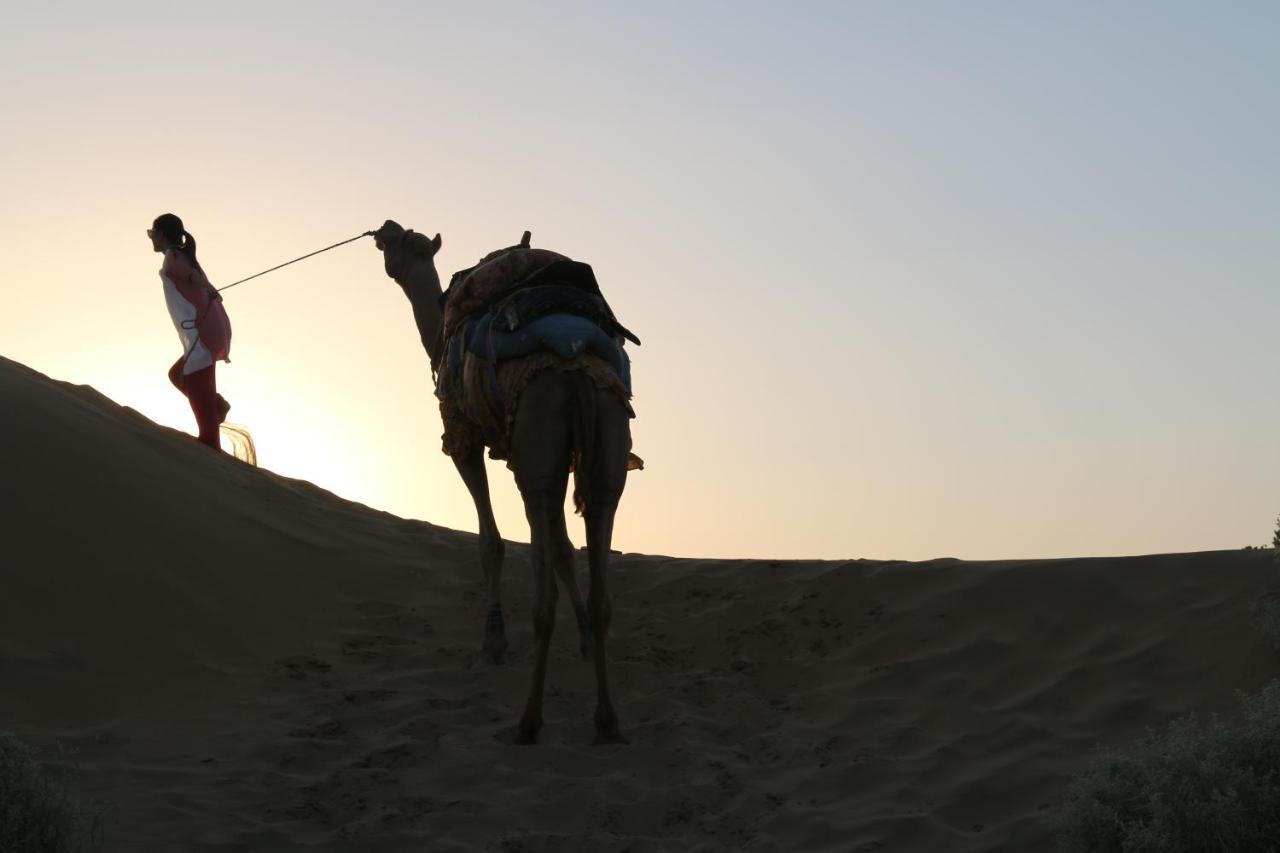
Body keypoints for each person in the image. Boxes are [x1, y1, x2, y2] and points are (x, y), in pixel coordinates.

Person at [148, 213, 232, 449]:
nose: (151, 238)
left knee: (195, 388)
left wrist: (204, 285)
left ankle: (211, 437)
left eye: (152, 233)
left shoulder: (174, 257)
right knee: (179, 376)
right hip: (207, 332)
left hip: (202, 335)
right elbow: (192, 277)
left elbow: (190, 277)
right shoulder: (183, 257)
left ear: (162, 234)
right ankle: (215, 406)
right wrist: (207, 286)